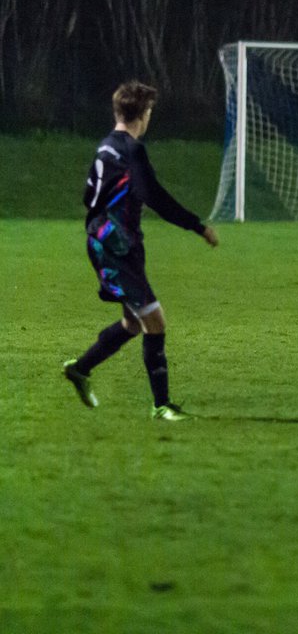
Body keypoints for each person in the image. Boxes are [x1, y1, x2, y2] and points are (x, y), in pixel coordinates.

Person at [62, 81, 220, 420]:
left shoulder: (106, 146)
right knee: (155, 321)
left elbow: (88, 199)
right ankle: (161, 405)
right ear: (144, 115)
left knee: (133, 323)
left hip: (108, 241)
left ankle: (80, 369)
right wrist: (198, 226)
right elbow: (157, 197)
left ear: (118, 112)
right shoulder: (133, 151)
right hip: (116, 247)